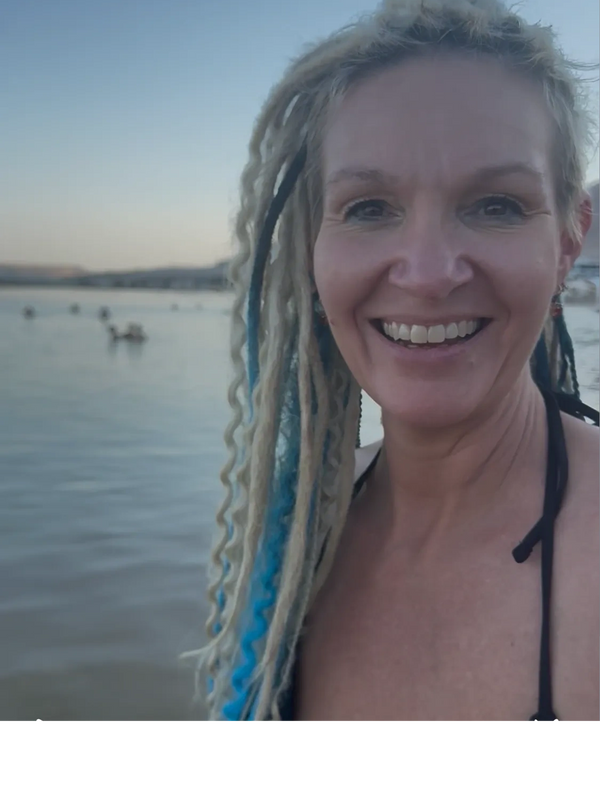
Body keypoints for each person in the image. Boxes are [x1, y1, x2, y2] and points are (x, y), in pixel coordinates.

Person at [194, 0, 599, 723]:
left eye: (497, 204)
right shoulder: (300, 531)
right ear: (312, 247)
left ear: (569, 239)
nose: (427, 272)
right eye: (369, 207)